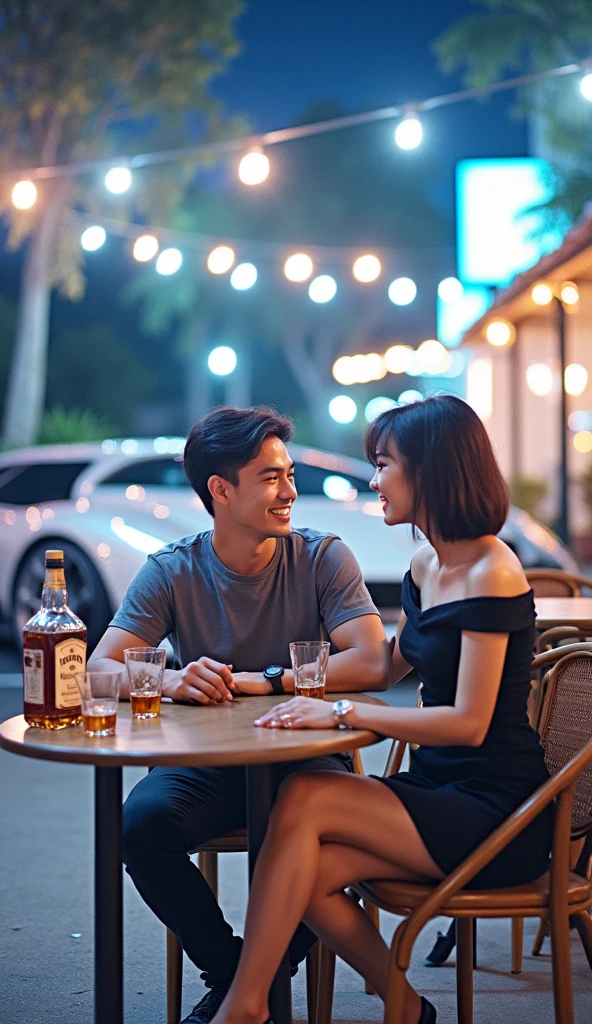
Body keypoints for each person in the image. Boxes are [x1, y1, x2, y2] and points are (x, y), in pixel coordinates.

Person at [209, 395, 554, 1024]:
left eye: (384, 464)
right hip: (441, 785)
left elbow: (468, 723)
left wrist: (344, 715)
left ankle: (244, 1008)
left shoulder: (491, 568)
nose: (373, 480)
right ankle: (407, 1010)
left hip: (498, 807)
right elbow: (386, 664)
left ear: (431, 471)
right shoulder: (428, 563)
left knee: (307, 796)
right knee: (306, 877)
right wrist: (276, 680)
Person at [88, 405, 388, 1024]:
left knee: (327, 845)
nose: (290, 492)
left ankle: (244, 991)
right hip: (209, 764)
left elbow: (371, 661)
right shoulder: (173, 569)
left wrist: (269, 679)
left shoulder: (321, 557)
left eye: (289, 473)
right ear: (220, 491)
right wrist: (170, 679)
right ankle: (235, 977)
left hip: (307, 759)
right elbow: (96, 671)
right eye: (271, 478)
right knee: (139, 829)